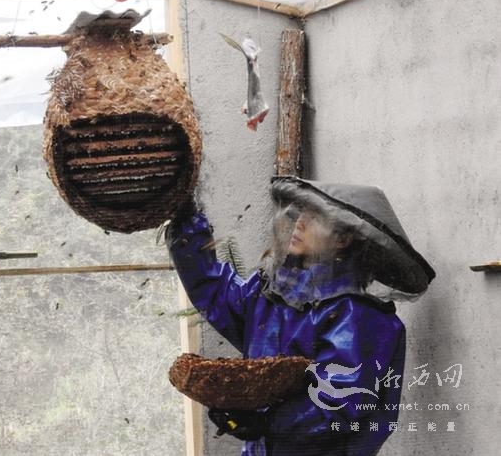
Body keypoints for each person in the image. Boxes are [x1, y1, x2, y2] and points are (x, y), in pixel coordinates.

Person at [166, 176, 435, 456]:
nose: (300, 223)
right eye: (302, 212)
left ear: (343, 239)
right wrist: (186, 220)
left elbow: (339, 406)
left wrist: (265, 422)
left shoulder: (359, 317)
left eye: (316, 217)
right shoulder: (276, 293)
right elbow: (217, 294)